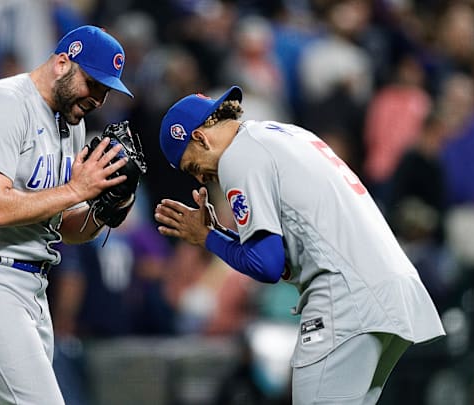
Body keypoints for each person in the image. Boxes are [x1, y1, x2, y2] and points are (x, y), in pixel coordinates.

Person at [155, 86, 446, 404]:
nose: (200, 179)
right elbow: (279, 255)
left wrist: (207, 238)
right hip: (389, 290)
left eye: (193, 166)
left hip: (345, 299)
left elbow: (265, 265)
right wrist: (217, 233)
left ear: (200, 138)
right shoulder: (282, 134)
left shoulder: (237, 157)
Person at [0, 25, 134, 404]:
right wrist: (76, 189)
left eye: (107, 91)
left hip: (31, 287)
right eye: (94, 83)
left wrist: (106, 211)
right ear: (61, 63)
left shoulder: (70, 124)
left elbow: (65, 227)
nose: (99, 99)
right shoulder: (3, 103)